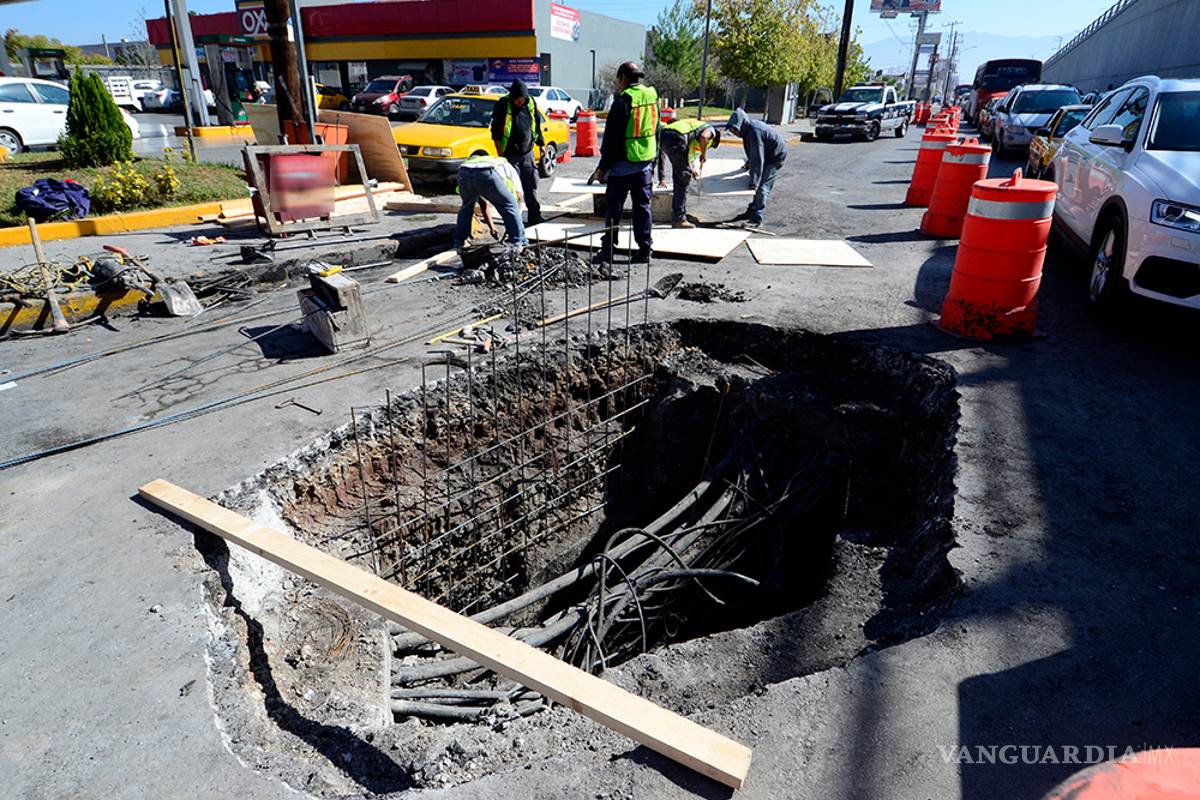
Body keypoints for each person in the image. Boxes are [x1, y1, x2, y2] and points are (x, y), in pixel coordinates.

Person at [590, 61, 658, 263]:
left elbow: (611, 138)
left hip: (623, 164)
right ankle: (645, 250)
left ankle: (608, 249)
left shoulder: (623, 100)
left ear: (623, 78)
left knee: (614, 209)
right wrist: (653, 163)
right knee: (642, 207)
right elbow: (657, 129)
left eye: (618, 80)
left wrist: (603, 168)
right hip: (645, 162)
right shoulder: (652, 97)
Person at [489, 79, 545, 226]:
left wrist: (542, 144)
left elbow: (537, 124)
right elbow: (495, 132)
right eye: (517, 100)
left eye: (522, 99)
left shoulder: (530, 102)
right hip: (510, 154)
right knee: (513, 190)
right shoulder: (502, 105)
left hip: (527, 153)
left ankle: (535, 216)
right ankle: (515, 223)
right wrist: (501, 155)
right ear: (512, 97)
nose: (520, 102)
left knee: (531, 185)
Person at [726, 108, 787, 228]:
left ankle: (756, 219)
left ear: (741, 125)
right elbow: (755, 152)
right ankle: (751, 211)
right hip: (768, 153)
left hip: (775, 157)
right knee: (758, 184)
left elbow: (758, 159)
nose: (734, 133)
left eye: (735, 130)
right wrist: (749, 162)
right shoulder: (747, 129)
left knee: (761, 187)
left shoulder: (754, 132)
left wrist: (754, 181)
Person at [656, 118, 720, 228]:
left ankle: (677, 214)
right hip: (677, 138)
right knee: (683, 180)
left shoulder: (694, 126)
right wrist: (704, 154)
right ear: (715, 138)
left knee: (680, 174)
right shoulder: (710, 129)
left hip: (663, 135)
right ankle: (679, 219)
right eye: (711, 145)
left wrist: (691, 168)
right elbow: (704, 137)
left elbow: (686, 154)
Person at [453, 155, 526, 252]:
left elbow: (483, 203)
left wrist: (492, 227)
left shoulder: (483, 163)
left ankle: (458, 242)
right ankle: (519, 242)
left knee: (467, 207)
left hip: (464, 172)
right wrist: (517, 215)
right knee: (511, 206)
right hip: (487, 172)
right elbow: (518, 200)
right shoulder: (510, 172)